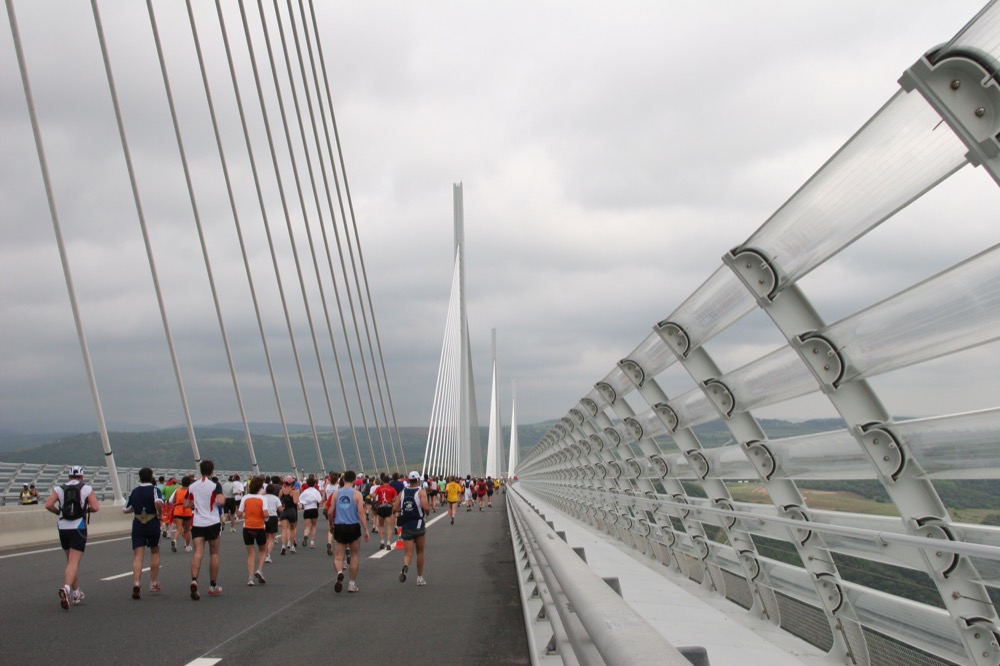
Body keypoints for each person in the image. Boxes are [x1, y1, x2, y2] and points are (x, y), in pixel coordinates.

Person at [44, 465, 100, 610]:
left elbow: (48, 504)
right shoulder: (86, 488)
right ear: (81, 477)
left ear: (69, 476)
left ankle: (76, 593)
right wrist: (83, 509)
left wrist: (58, 511)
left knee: (70, 562)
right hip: (78, 527)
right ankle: (67, 589)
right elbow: (95, 507)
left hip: (63, 527)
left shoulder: (59, 488)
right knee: (74, 562)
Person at [123, 467, 163, 599]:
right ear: (151, 477)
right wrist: (160, 513)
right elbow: (158, 502)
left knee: (138, 555)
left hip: (138, 523)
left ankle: (136, 582)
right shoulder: (154, 490)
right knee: (155, 551)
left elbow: (126, 509)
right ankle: (153, 582)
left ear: (140, 477)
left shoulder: (134, 491)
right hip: (152, 522)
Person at [186, 460, 224, 600]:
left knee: (198, 552)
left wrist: (196, 504)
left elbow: (186, 503)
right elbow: (220, 501)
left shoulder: (193, 486)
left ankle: (194, 580)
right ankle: (213, 585)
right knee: (214, 553)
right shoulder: (215, 485)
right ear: (212, 471)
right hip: (212, 521)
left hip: (198, 522)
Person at [330, 470, 369, 593]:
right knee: (354, 555)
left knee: (338, 556)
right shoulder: (357, 494)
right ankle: (352, 584)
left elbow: (330, 511)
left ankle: (340, 572)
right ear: (354, 481)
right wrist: (366, 529)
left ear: (343, 480)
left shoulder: (337, 493)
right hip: (353, 526)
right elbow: (361, 513)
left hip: (340, 526)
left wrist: (331, 523)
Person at [395, 471, 430, 586]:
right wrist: (428, 511)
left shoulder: (403, 492)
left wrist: (400, 510)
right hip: (418, 525)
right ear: (418, 480)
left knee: (408, 553)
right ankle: (419, 578)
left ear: (409, 480)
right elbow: (425, 506)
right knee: (420, 552)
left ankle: (405, 566)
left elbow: (395, 507)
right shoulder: (421, 491)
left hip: (406, 525)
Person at [237, 476, 268, 587]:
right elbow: (265, 514)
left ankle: (250, 578)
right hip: (259, 527)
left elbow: (239, 514)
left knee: (250, 553)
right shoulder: (262, 499)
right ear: (260, 487)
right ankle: (259, 569)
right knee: (262, 550)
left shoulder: (245, 498)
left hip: (247, 527)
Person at [371, 474, 397, 550]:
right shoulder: (392, 488)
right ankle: (388, 542)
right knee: (389, 526)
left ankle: (382, 542)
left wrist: (376, 502)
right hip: (388, 507)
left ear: (382, 481)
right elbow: (395, 498)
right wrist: (392, 501)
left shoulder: (379, 488)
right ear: (389, 481)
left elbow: (373, 495)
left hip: (381, 507)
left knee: (381, 526)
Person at [171, 476, 194, 553]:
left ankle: (174, 540)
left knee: (178, 529)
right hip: (187, 510)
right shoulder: (190, 491)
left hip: (178, 510)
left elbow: (173, 500)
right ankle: (187, 546)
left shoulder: (177, 490)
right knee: (187, 530)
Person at [298, 476, 322, 549]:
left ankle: (305, 535)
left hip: (307, 509)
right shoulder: (316, 491)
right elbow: (319, 500)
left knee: (307, 526)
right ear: (314, 484)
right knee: (314, 525)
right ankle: (312, 542)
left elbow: (300, 500)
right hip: (314, 508)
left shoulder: (305, 492)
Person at [278, 475, 299, 555]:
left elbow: (279, 500)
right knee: (292, 529)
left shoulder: (281, 491)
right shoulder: (294, 491)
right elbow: (295, 502)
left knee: (284, 529)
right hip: (292, 511)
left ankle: (283, 546)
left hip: (284, 511)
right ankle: (292, 545)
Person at [263, 479, 281, 563]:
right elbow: (280, 509)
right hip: (273, 517)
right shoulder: (276, 498)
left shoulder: (262, 498)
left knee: (265, 537)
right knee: (271, 538)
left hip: (263, 517)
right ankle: (268, 555)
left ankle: (263, 553)